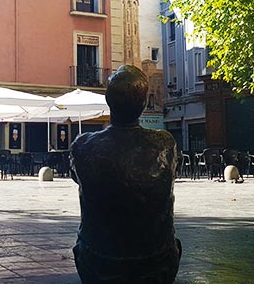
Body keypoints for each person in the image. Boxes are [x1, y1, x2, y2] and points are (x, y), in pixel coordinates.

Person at [70, 65, 181, 283]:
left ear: (109, 101)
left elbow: (77, 177)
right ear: (143, 102)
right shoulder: (165, 143)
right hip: (157, 265)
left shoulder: (83, 145)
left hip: (98, 264)